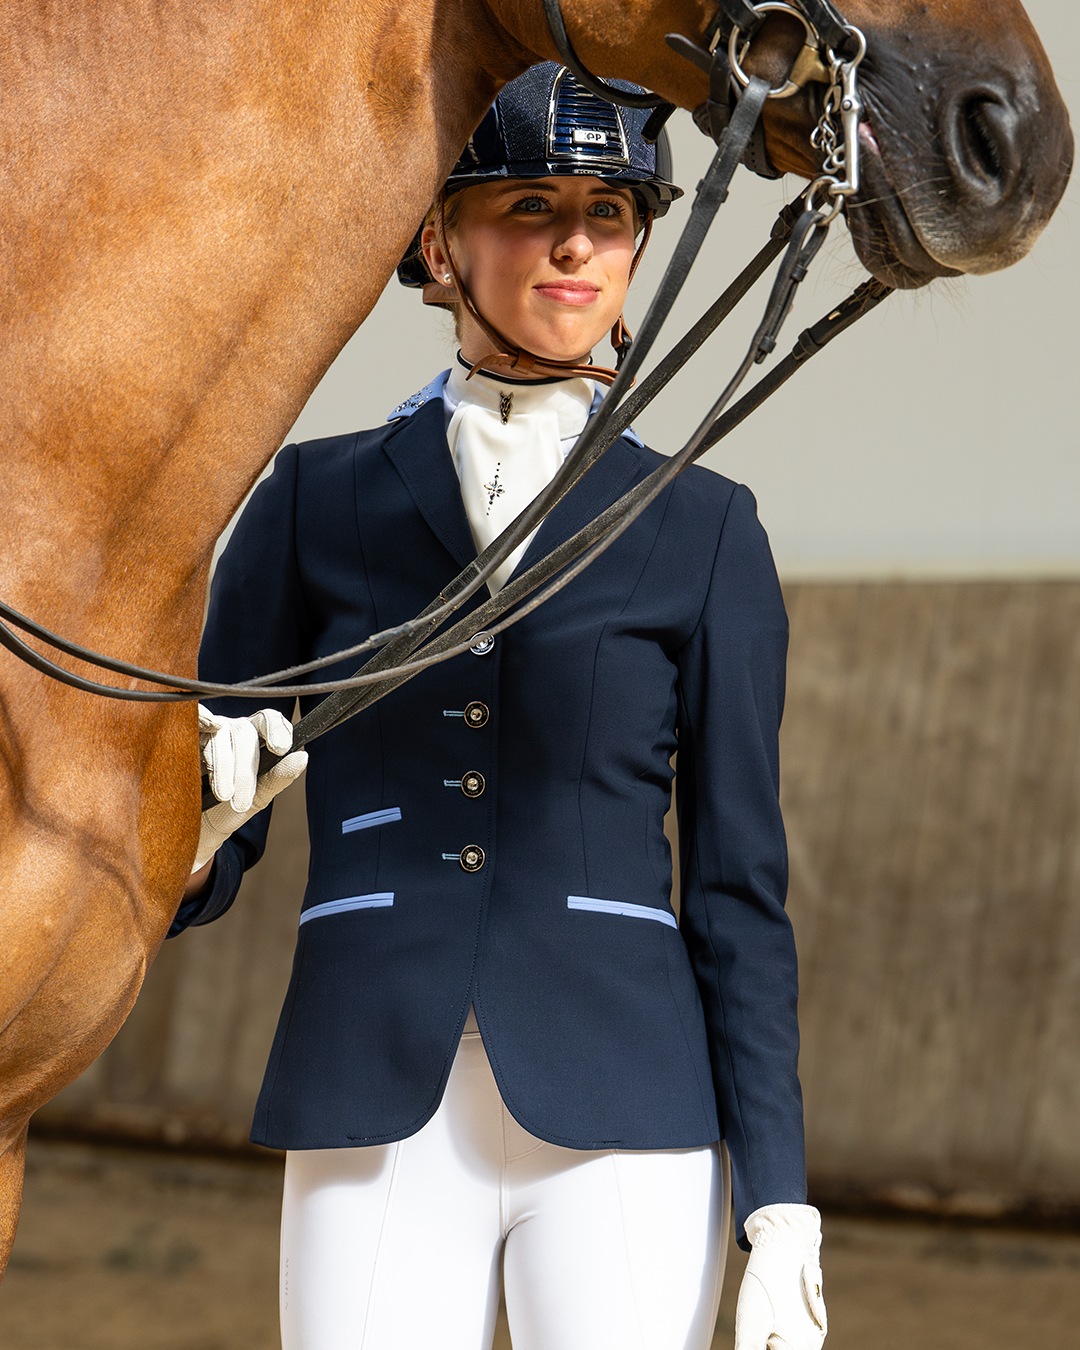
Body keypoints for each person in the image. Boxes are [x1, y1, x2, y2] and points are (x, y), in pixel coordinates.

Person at [173, 63, 827, 1350]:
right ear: (436, 240)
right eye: (530, 203)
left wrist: (783, 1202)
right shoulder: (308, 502)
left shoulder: (703, 527)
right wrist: (188, 821)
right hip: (370, 1081)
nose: (578, 241)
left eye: (612, 211)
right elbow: (206, 839)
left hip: (627, 1099)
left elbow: (742, 891)